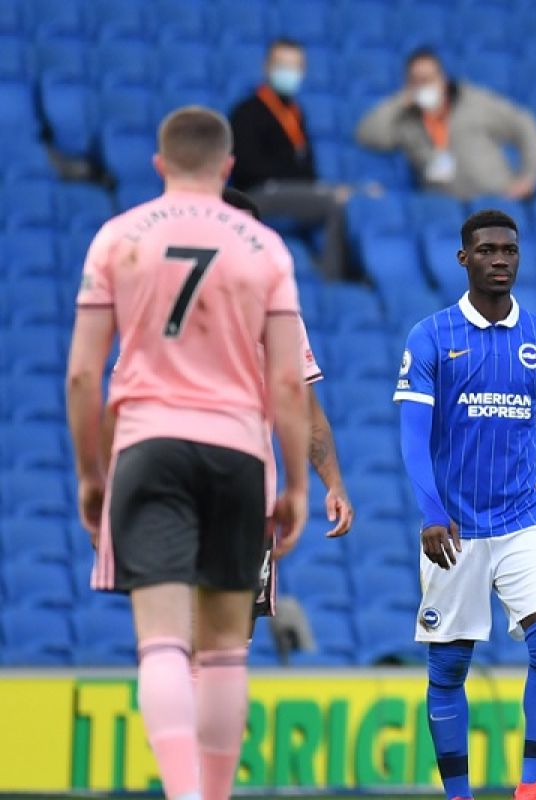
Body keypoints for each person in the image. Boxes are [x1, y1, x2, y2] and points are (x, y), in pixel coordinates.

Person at [66, 106, 309, 800]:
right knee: (227, 645)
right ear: (228, 167)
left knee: (163, 642)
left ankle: (182, 795)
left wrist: (91, 472)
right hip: (237, 449)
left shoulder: (117, 237)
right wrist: (293, 484)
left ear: (159, 164)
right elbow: (288, 381)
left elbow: (84, 372)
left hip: (149, 444)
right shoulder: (265, 249)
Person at [393, 209, 536, 800]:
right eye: (486, 250)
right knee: (450, 666)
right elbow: (412, 435)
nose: (500, 259)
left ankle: (532, 786)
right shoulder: (432, 337)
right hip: (454, 528)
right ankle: (459, 795)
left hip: (523, 520)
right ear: (464, 258)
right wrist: (430, 511)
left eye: (509, 250)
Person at [219, 188, 355, 624]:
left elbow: (305, 412)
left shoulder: (280, 317)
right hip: (182, 497)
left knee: (230, 645)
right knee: (180, 640)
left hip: (249, 507)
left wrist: (332, 482)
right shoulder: (165, 311)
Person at [229, 38, 356, 281]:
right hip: (258, 193)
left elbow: (307, 168)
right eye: (282, 65)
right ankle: (332, 276)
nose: (288, 73)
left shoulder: (296, 112)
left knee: (345, 196)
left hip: (291, 191)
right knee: (333, 204)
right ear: (267, 67)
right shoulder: (246, 111)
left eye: (294, 66)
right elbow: (247, 168)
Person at [356, 47, 536, 200]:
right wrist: (400, 101)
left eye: (428, 79)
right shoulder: (407, 120)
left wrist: (528, 176)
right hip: (445, 211)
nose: (423, 86)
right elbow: (367, 134)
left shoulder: (475, 102)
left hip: (495, 199)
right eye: (416, 81)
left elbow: (524, 124)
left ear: (442, 78)